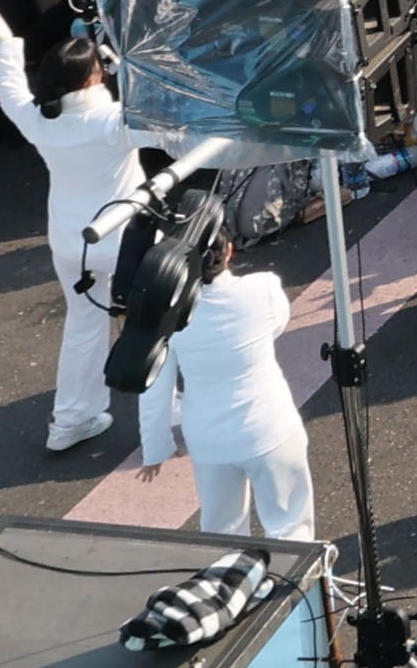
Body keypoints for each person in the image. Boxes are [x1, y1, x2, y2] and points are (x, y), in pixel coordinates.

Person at [0, 0, 159, 455]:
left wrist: (4, 45)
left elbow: (11, 91)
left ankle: (70, 421)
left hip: (71, 245)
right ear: (94, 78)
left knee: (83, 326)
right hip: (127, 238)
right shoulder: (115, 121)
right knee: (155, 322)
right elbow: (170, 121)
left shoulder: (40, 122)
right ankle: (166, 412)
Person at [131, 177, 317, 539]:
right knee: (291, 527)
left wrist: (156, 449)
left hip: (207, 438)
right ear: (228, 251)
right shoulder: (262, 288)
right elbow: (276, 325)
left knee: (221, 533)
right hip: (269, 428)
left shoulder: (167, 317)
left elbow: (154, 386)